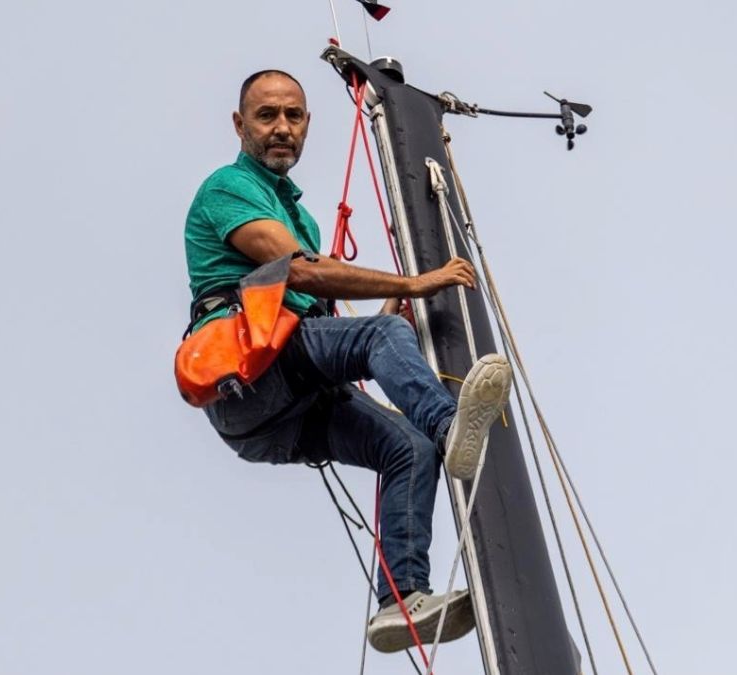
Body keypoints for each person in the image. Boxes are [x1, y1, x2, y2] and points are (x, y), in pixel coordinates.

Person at [183, 69, 513, 653]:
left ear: (308, 123)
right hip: (249, 374)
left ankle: (401, 602)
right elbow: (301, 273)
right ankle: (450, 425)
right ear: (239, 125)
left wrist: (394, 307)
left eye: (293, 116)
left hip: (279, 411)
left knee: (407, 448)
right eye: (266, 115)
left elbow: (328, 324)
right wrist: (414, 285)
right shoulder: (228, 188)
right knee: (390, 349)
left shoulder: (299, 216)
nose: (281, 128)